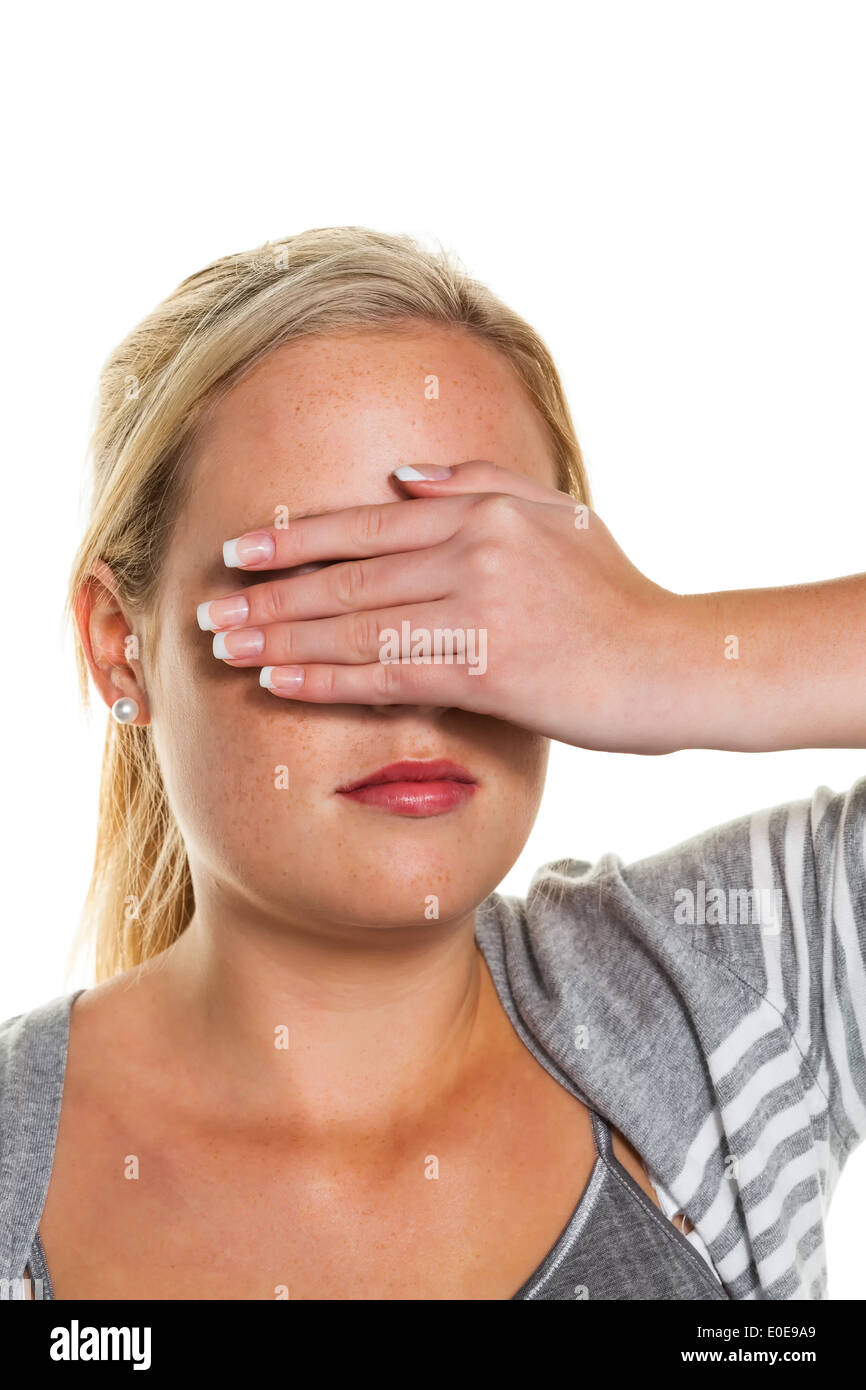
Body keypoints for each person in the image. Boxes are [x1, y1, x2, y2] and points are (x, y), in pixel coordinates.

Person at [1, 227, 863, 1300]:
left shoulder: (731, 996)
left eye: (473, 599)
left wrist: (668, 649)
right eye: (325, 587)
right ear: (118, 645)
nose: (416, 677)